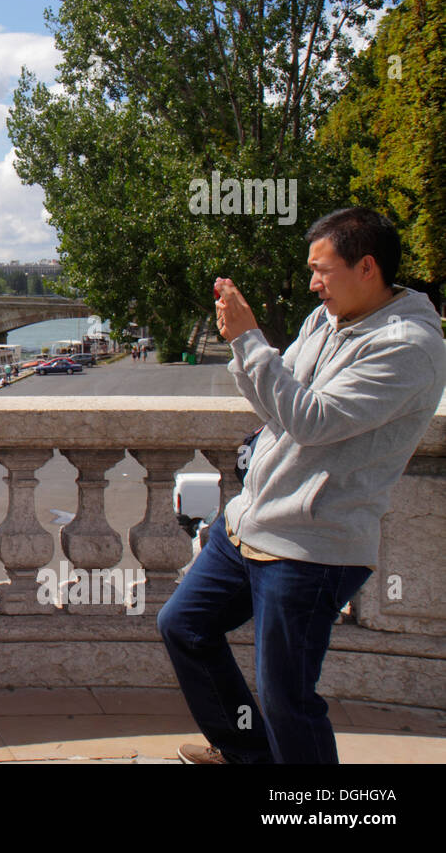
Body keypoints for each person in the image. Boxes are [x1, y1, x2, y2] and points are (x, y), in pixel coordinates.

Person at [158, 207, 446, 764]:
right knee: (184, 627)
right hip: (249, 523)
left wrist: (248, 341)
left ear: (367, 268)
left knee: (287, 696)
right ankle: (248, 755)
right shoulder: (326, 318)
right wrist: (245, 346)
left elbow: (311, 421)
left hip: (313, 547)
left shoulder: (407, 347)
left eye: (322, 270)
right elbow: (278, 400)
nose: (313, 283)